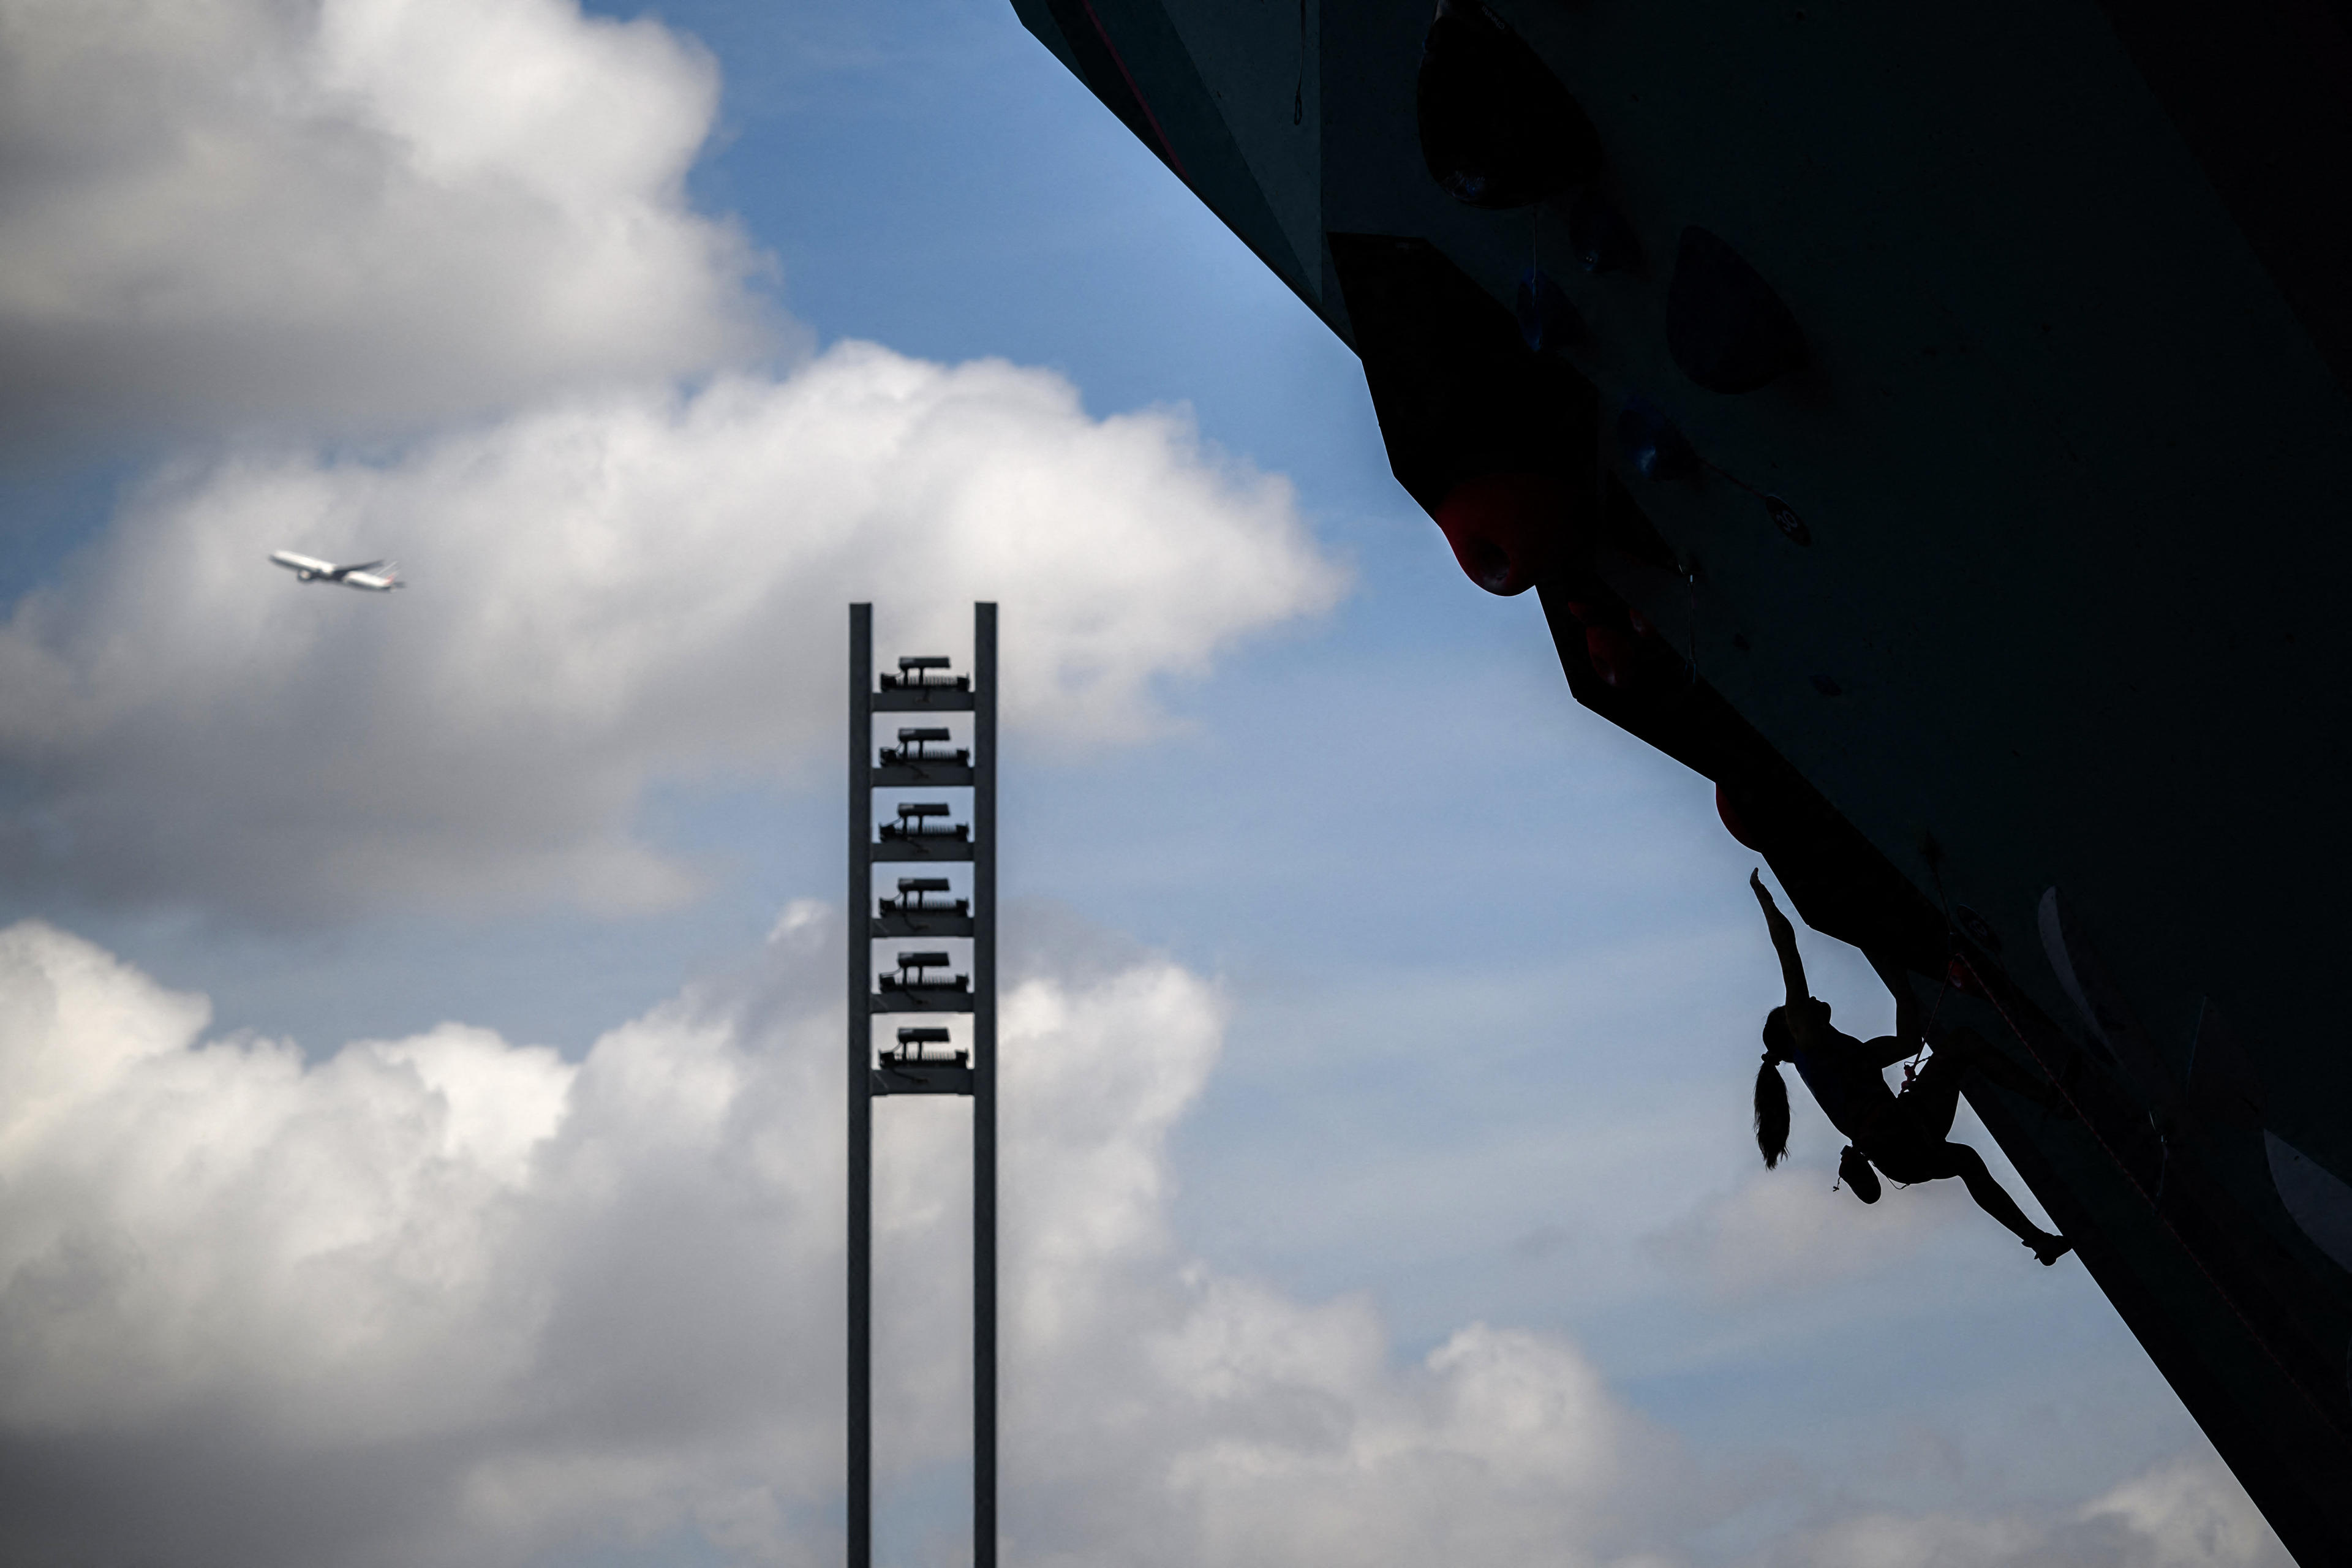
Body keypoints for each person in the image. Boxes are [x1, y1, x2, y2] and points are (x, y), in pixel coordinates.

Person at [1747, 870, 2072, 1267]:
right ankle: (2052, 1100)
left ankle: (2038, 1241)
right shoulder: (1809, 1044)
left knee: (1966, 1159)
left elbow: (1907, 1043)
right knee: (1964, 1048)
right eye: (1801, 1006)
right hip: (1900, 1136)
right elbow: (1788, 952)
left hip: (1901, 1146)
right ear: (1795, 1025)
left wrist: (1899, 981)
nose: (1811, 998)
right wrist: (1764, 898)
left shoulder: (1843, 1058)